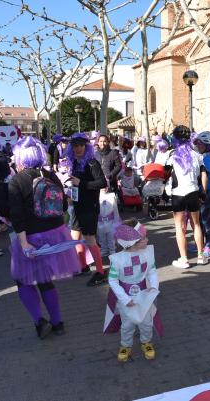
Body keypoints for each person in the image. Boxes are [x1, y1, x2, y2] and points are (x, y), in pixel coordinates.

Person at [8, 136, 83, 338]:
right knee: (45, 281)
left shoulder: (17, 180)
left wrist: (23, 243)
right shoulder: (50, 175)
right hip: (55, 234)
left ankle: (39, 322)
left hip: (31, 237)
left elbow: (16, 216)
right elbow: (64, 206)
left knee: (23, 281)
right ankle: (58, 323)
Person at [105, 219, 160, 362]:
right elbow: (113, 280)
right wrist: (125, 299)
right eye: (143, 238)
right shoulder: (118, 260)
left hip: (144, 295)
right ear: (132, 242)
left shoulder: (147, 254)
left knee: (146, 322)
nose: (147, 240)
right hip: (127, 297)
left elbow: (152, 272)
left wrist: (153, 287)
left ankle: (146, 342)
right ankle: (126, 345)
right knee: (127, 324)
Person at [68, 133, 108, 286]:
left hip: (90, 207)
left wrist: (82, 183)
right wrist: (71, 194)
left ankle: (100, 272)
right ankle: (83, 266)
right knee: (74, 238)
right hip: (78, 206)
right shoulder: (75, 162)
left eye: (81, 146)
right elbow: (76, 184)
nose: (78, 149)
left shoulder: (92, 163)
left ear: (86, 147)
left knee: (89, 239)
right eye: (75, 146)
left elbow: (102, 183)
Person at [166, 125, 207, 269]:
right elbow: (203, 174)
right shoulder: (197, 154)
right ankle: (201, 256)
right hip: (194, 192)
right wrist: (204, 192)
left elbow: (165, 173)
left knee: (179, 226)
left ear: (175, 138)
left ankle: (184, 259)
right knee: (196, 224)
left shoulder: (172, 155)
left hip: (178, 194)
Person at [195, 131, 210, 258]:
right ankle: (203, 243)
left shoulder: (207, 158)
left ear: (206, 145)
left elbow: (202, 176)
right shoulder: (207, 155)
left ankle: (208, 245)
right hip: (209, 190)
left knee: (205, 219)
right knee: (203, 218)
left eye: (200, 144)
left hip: (209, 191)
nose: (197, 146)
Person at [97, 190, 121, 257]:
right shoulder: (95, 196)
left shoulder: (111, 196)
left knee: (111, 237)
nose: (104, 188)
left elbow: (115, 209)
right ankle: (104, 249)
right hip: (100, 221)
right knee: (101, 237)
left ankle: (112, 250)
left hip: (110, 221)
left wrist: (116, 221)